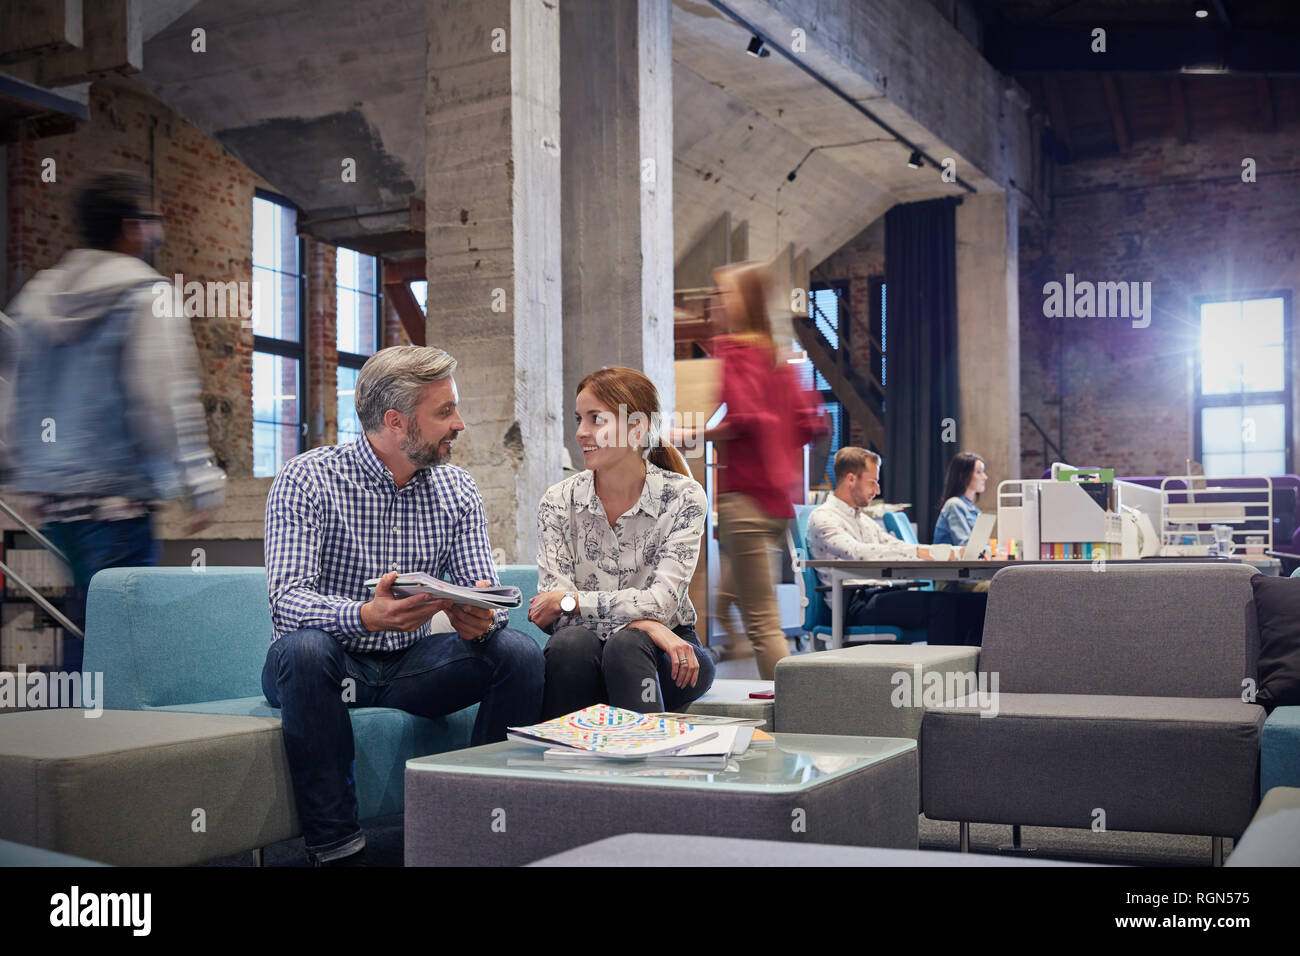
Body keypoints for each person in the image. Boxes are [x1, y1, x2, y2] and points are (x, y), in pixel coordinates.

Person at [262, 345, 544, 866]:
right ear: (395, 422)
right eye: (444, 412)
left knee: (519, 654)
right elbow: (287, 602)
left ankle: (478, 832)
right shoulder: (307, 479)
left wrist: (481, 619)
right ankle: (336, 849)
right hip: (326, 662)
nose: (459, 423)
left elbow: (487, 591)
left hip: (409, 664)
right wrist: (366, 615)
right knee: (304, 649)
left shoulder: (457, 489)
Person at [1, 170, 225, 675]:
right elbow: (160, 399)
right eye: (154, 219)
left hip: (56, 504)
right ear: (131, 227)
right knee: (122, 639)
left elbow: (11, 393)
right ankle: (105, 742)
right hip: (119, 503)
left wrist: (18, 473)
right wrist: (199, 481)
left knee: (80, 626)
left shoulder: (37, 298)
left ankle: (73, 735)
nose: (159, 231)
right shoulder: (146, 294)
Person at [529, 366, 714, 719]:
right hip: (584, 656)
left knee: (627, 646)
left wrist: (577, 603)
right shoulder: (558, 500)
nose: (581, 432)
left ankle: (647, 766)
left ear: (636, 428)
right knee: (571, 644)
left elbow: (661, 604)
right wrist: (643, 620)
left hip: (669, 653)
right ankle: (562, 769)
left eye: (596, 419)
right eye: (579, 419)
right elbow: (556, 617)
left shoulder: (683, 497)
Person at [672, 261, 827, 680]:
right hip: (779, 504)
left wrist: (696, 432)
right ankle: (717, 644)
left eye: (724, 295)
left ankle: (797, 714)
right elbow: (814, 423)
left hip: (746, 502)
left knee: (762, 621)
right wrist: (780, 455)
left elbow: (746, 417)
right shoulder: (779, 356)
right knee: (732, 595)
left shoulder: (737, 351)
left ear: (745, 301)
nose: (716, 304)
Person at [806, 447, 936, 632]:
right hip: (854, 604)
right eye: (872, 482)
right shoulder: (823, 518)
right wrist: (916, 552)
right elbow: (857, 553)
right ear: (851, 479)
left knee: (968, 605)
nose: (877, 490)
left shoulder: (862, 519)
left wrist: (943, 552)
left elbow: (893, 545)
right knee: (943, 607)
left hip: (878, 595)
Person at [934, 452, 987, 548]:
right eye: (979, 472)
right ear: (963, 476)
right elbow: (966, 547)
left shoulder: (973, 509)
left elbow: (981, 547)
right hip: (953, 563)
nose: (985, 477)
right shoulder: (954, 504)